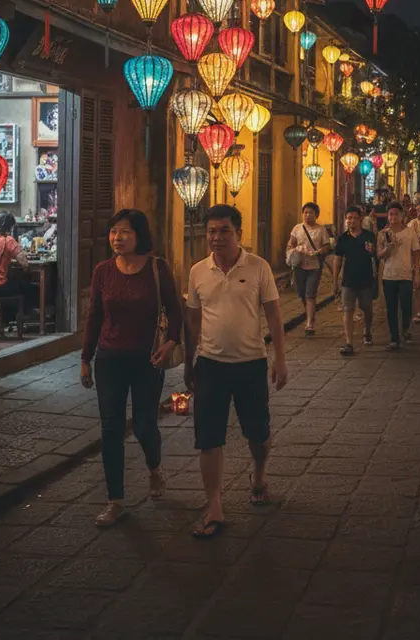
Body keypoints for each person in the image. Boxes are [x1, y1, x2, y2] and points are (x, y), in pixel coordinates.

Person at [185, 205, 287, 538]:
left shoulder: (258, 268)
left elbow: (273, 316)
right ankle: (214, 505)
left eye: (223, 230)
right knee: (208, 438)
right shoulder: (198, 271)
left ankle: (258, 472)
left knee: (258, 433)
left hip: (250, 364)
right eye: (211, 231)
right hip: (211, 365)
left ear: (238, 233)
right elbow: (193, 319)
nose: (216, 237)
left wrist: (280, 359)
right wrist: (189, 361)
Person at [80, 209, 183, 527]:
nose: (117, 238)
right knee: (110, 430)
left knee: (143, 426)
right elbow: (95, 315)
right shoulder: (102, 271)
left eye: (124, 232)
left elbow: (175, 310)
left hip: (146, 360)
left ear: (139, 235)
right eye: (113, 232)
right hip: (109, 359)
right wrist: (86, 358)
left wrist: (172, 342)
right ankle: (115, 500)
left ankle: (155, 468)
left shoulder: (157, 268)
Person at [377, 201, 420, 349]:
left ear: (402, 215)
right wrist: (387, 249)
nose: (393, 217)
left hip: (406, 274)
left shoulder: (409, 232)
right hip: (389, 275)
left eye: (396, 214)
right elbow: (379, 254)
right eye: (390, 214)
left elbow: (415, 253)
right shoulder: (383, 234)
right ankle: (394, 337)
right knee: (391, 307)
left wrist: (417, 273)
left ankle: (405, 327)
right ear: (387, 216)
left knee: (406, 305)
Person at [337, 205, 378, 354]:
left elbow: (375, 256)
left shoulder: (369, 236)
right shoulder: (343, 239)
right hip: (348, 279)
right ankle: (349, 342)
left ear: (361, 219)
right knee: (347, 309)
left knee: (367, 307)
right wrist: (335, 279)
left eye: (354, 218)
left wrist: (372, 253)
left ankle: (367, 330)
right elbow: (338, 259)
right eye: (349, 218)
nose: (351, 221)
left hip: (366, 278)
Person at [286, 202, 330, 337]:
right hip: (299, 265)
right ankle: (310, 313)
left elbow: (327, 247)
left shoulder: (321, 230)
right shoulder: (297, 228)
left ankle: (309, 323)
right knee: (301, 293)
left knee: (310, 294)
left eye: (311, 212)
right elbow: (290, 244)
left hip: (314, 266)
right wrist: (295, 250)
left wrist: (318, 252)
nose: (308, 215)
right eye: (305, 212)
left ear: (316, 215)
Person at [0, 212, 30, 336]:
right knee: (24, 288)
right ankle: (6, 322)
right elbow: (24, 263)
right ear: (11, 226)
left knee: (11, 285)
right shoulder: (8, 240)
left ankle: (1, 323)